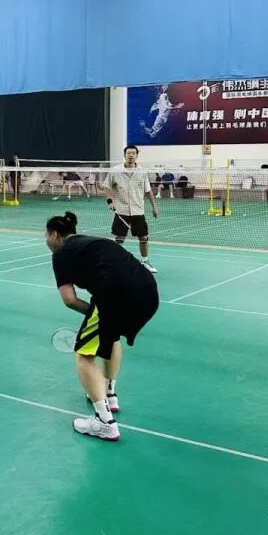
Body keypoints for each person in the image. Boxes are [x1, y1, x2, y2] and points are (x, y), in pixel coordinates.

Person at [46, 211, 160, 442]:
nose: (46, 240)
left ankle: (104, 422)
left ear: (55, 235)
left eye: (46, 235)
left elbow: (69, 300)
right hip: (148, 292)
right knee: (111, 335)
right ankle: (109, 394)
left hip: (115, 294)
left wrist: (95, 313)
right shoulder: (93, 242)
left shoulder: (61, 254)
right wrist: (100, 317)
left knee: (83, 356)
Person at [103, 145, 159, 273]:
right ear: (125, 155)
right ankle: (115, 261)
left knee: (143, 237)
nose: (131, 155)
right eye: (128, 153)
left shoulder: (142, 171)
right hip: (121, 210)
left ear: (136, 155)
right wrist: (110, 201)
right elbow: (106, 187)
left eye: (133, 153)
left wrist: (154, 207)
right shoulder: (115, 171)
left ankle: (144, 261)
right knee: (119, 238)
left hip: (138, 210)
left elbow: (148, 190)